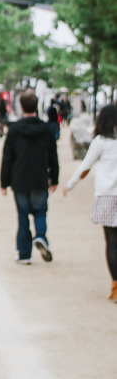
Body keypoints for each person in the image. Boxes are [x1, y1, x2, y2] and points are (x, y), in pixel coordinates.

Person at [63, 103, 117, 302]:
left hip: (106, 196)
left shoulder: (100, 142)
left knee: (112, 242)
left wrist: (70, 184)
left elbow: (85, 167)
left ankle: (115, 287)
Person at [1, 89, 59, 264]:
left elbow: (7, 157)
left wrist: (4, 181)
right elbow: (52, 156)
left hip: (19, 179)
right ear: (37, 106)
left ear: (21, 106)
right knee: (40, 212)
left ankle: (24, 254)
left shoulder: (14, 129)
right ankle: (40, 236)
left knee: (23, 216)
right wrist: (54, 178)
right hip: (40, 177)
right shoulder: (46, 129)